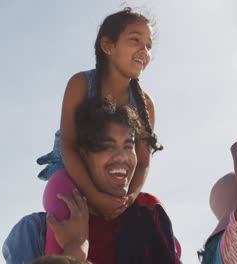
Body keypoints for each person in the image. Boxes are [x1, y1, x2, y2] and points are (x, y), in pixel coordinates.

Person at [37, 7, 162, 255]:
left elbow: (143, 161)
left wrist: (129, 198)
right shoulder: (81, 84)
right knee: (64, 207)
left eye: (148, 45)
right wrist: (93, 196)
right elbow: (69, 146)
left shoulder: (144, 104)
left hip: (116, 181)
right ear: (108, 46)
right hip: (72, 174)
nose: (144, 51)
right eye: (135, 40)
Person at [3, 98, 181, 264]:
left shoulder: (151, 217)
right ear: (83, 156)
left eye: (128, 146)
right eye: (106, 146)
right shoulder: (32, 233)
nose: (122, 157)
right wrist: (74, 252)